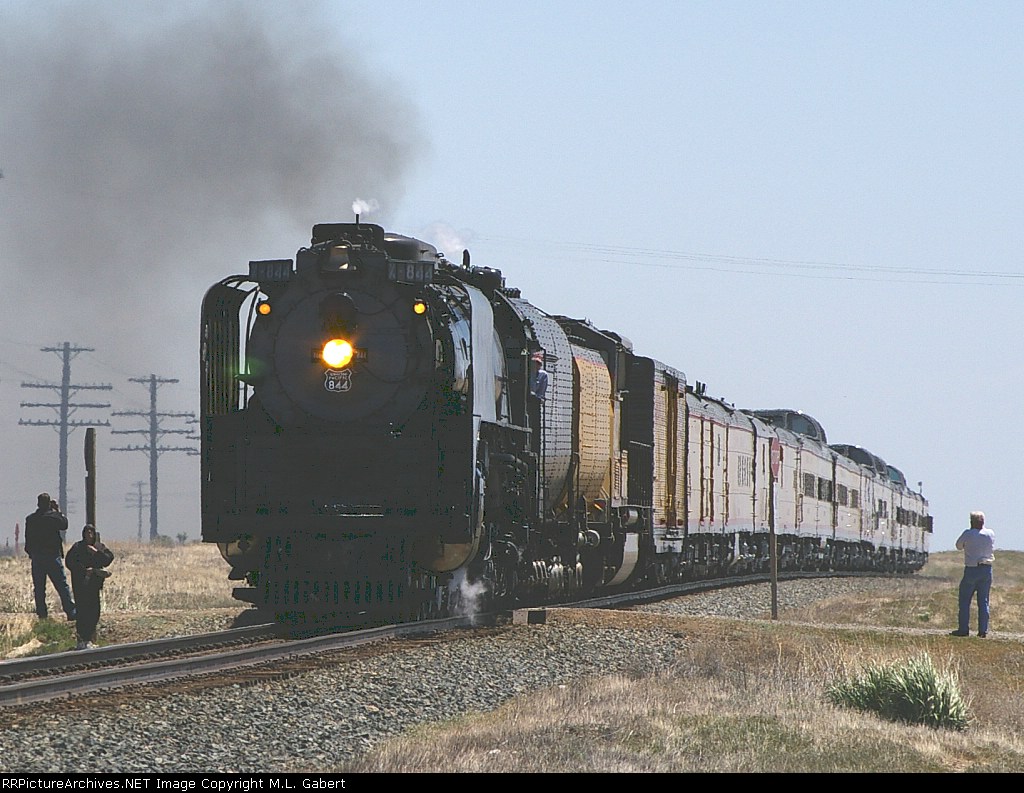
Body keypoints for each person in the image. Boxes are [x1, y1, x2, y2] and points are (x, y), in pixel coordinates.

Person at [24, 493, 76, 621]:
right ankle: (71, 611)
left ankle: (42, 614)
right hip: (52, 556)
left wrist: (32, 553)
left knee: (39, 588)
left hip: (37, 557)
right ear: (48, 504)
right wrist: (57, 511)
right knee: (62, 586)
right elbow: (64, 524)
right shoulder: (53, 517)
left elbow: (28, 539)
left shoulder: (31, 519)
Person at [64, 524, 114, 650]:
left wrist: (96, 553)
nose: (89, 535)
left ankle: (89, 638)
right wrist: (83, 570)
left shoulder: (99, 547)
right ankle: (82, 640)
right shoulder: (77, 547)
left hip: (94, 586)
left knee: (94, 612)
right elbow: (69, 562)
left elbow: (108, 559)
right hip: (81, 585)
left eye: (91, 533)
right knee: (82, 612)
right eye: (87, 533)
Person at [950, 510, 995, 638]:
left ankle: (963, 629)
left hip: (972, 569)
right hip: (986, 569)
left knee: (965, 600)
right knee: (984, 601)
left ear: (971, 522)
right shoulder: (990, 534)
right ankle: (983, 630)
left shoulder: (968, 534)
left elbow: (958, 546)